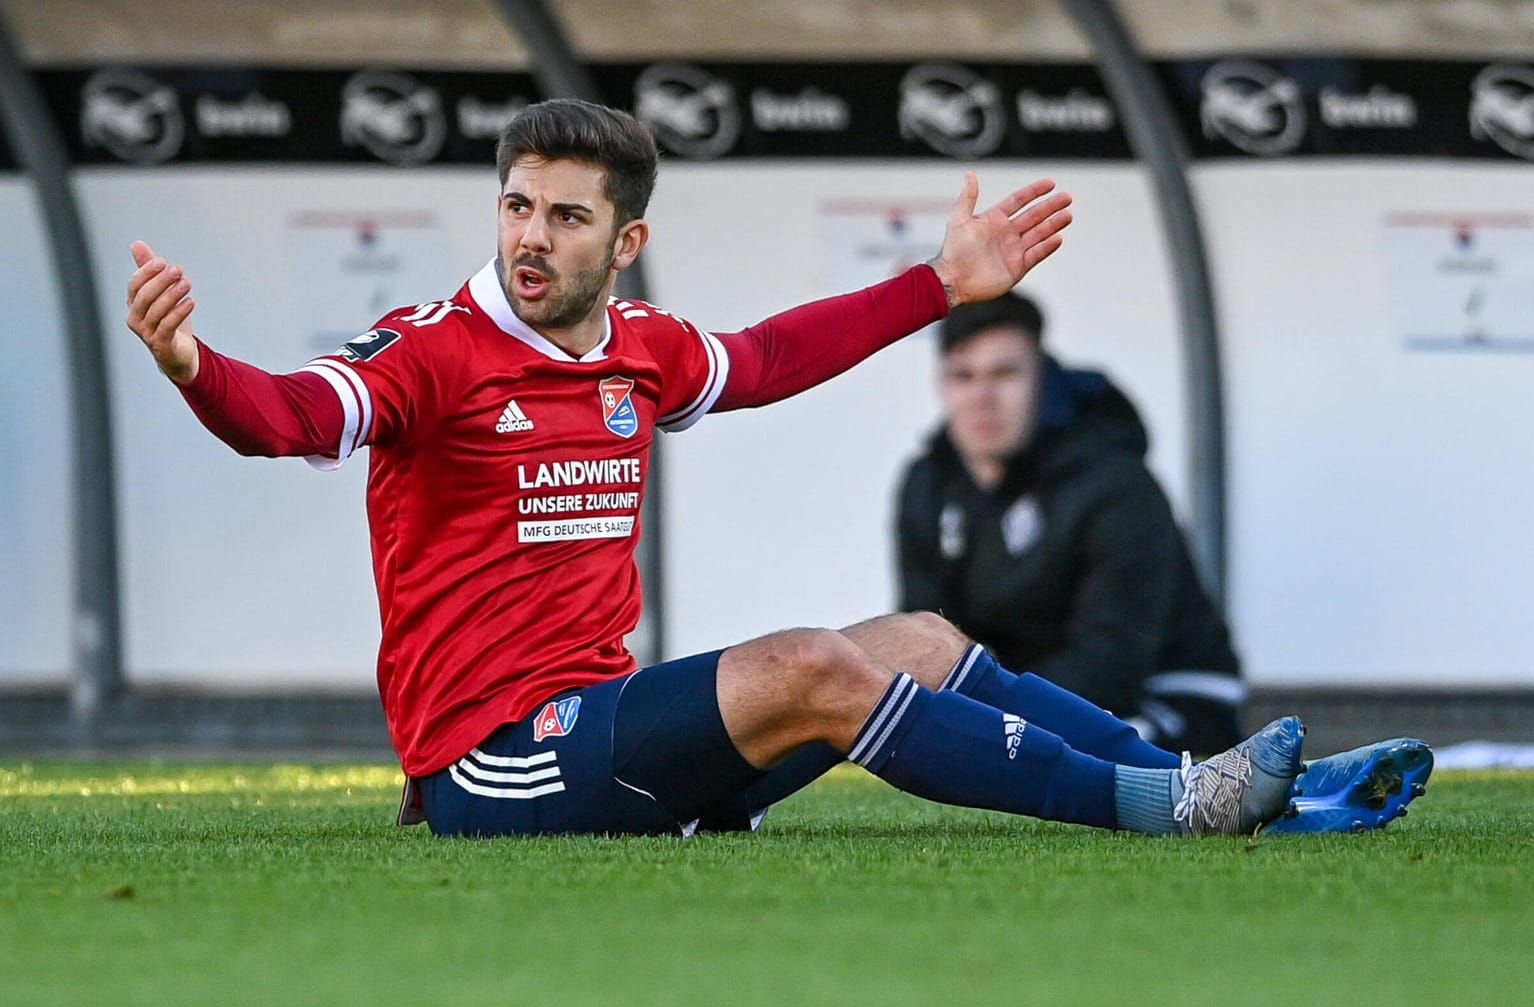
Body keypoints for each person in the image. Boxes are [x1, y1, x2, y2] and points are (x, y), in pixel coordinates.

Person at [125, 98, 1429, 839]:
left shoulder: (639, 348)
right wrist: (192, 361)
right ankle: (1162, 804)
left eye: (566, 215)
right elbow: (288, 417)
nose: (532, 236)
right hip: (491, 765)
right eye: (518, 204)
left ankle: (1252, 793)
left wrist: (939, 284)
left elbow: (764, 358)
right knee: (811, 663)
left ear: (624, 238)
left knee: (913, 635)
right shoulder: (434, 352)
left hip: (609, 733)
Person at [897, 292, 1243, 757]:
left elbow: (1111, 665)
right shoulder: (928, 485)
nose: (982, 396)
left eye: (1005, 373)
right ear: (942, 385)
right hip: (1024, 702)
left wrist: (987, 719)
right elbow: (922, 634)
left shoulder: (1115, 483)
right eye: (963, 376)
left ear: (1042, 378)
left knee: (1052, 759)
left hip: (1169, 700)